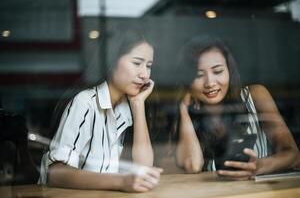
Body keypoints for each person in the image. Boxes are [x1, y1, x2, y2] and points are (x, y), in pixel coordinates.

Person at [38, 27, 162, 192]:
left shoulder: (127, 105)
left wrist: (138, 104)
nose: (145, 74)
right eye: (137, 63)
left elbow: (143, 167)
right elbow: (55, 173)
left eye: (148, 65)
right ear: (111, 61)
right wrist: (121, 182)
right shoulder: (86, 103)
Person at [174, 35, 299, 180]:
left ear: (229, 71)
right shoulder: (185, 115)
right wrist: (183, 109)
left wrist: (260, 166)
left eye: (218, 71)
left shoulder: (255, 95)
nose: (209, 82)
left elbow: (293, 155)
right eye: (198, 75)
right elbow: (192, 166)